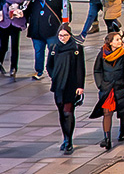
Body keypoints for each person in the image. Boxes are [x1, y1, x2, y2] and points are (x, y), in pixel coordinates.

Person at [88, 30, 124, 150]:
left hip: (121, 86)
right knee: (107, 112)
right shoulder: (103, 54)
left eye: (120, 39)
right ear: (110, 43)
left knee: (123, 110)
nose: (120, 41)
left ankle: (122, 130)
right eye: (117, 39)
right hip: (107, 88)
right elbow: (97, 70)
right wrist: (100, 84)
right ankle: (107, 138)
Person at [48, 24, 85, 154]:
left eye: (65, 35)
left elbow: (81, 68)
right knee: (61, 113)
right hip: (59, 85)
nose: (62, 38)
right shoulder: (54, 48)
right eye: (60, 36)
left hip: (71, 84)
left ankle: (69, 140)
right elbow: (49, 65)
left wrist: (80, 86)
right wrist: (55, 77)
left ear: (70, 35)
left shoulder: (76, 48)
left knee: (68, 112)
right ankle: (65, 138)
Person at [26, 0, 65, 80]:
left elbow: (66, 8)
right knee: (38, 52)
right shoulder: (34, 0)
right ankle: (39, 71)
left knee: (53, 52)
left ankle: (54, 71)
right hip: (37, 33)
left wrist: (65, 25)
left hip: (51, 32)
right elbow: (27, 13)